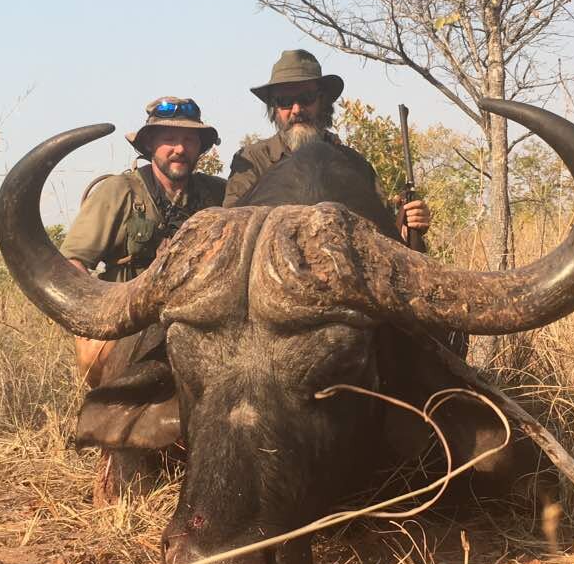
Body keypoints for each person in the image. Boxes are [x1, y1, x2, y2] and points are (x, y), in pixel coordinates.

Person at [60, 96, 225, 385]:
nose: (180, 148)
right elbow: (73, 263)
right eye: (169, 139)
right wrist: (96, 318)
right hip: (130, 317)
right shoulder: (119, 190)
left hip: (198, 316)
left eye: (189, 139)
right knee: (96, 361)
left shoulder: (218, 194)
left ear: (201, 147)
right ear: (149, 145)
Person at [223, 49, 431, 243]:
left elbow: (382, 235)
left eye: (306, 98)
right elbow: (231, 235)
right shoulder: (252, 160)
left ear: (323, 102)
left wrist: (406, 229)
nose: (296, 109)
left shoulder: (355, 164)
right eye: (285, 101)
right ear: (274, 108)